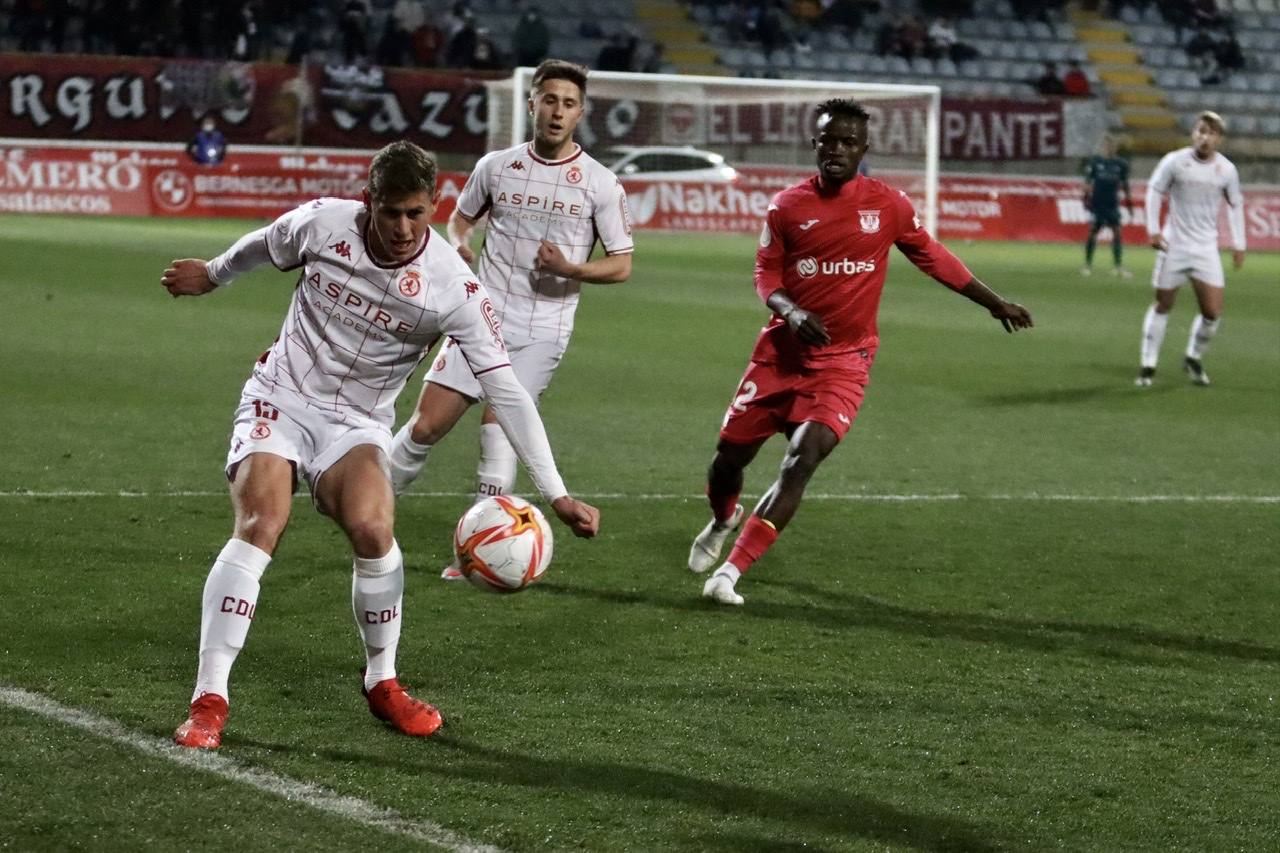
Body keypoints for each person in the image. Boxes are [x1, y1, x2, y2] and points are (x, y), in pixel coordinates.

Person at [161, 140, 600, 749]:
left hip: (357, 423)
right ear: (368, 200)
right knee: (264, 521)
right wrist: (210, 275)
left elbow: (508, 391)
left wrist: (556, 494)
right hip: (281, 396)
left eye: (415, 214)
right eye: (389, 211)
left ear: (433, 206)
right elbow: (265, 244)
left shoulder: (454, 287)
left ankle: (382, 681)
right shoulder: (322, 224)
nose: (401, 228)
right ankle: (209, 700)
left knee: (373, 529)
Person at [687, 99, 1033, 606]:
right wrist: (791, 312)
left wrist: (993, 301)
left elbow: (933, 257)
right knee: (728, 460)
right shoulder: (786, 206)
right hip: (779, 358)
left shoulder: (888, 205)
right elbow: (766, 275)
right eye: (829, 140)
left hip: (845, 362)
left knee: (801, 461)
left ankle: (731, 573)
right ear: (815, 144)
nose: (837, 150)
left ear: (863, 150)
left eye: (848, 142)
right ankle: (723, 518)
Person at [387, 60, 632, 579]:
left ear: (580, 113)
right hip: (482, 318)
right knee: (427, 425)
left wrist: (571, 267)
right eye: (549, 100)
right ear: (532, 104)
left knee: (499, 427)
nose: (557, 111)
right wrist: (459, 244)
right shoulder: (496, 167)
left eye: (568, 103)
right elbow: (460, 218)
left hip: (545, 326)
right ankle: (369, 502)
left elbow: (622, 263)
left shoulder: (600, 184)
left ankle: (480, 549)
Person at [1136, 111, 1245, 388]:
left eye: (1210, 133)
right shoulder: (1175, 162)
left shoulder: (1227, 170)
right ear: (1193, 134)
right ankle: (1148, 365)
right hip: (1174, 245)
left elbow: (1235, 204)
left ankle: (1193, 357)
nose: (1204, 137)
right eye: (1200, 131)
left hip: (1206, 248)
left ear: (1218, 138)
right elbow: (1154, 190)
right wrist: (1153, 229)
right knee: (1163, 303)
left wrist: (1239, 243)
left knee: (1212, 312)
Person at [1080, 134, 1133, 278]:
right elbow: (1088, 182)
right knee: (1093, 232)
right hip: (1098, 203)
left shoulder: (1121, 164)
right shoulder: (1096, 162)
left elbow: (1125, 185)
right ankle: (1087, 265)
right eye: (1105, 146)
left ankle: (1118, 266)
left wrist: (1129, 204)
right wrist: (1085, 199)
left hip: (1112, 204)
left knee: (1117, 233)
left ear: (1114, 148)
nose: (1107, 148)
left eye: (1110, 146)